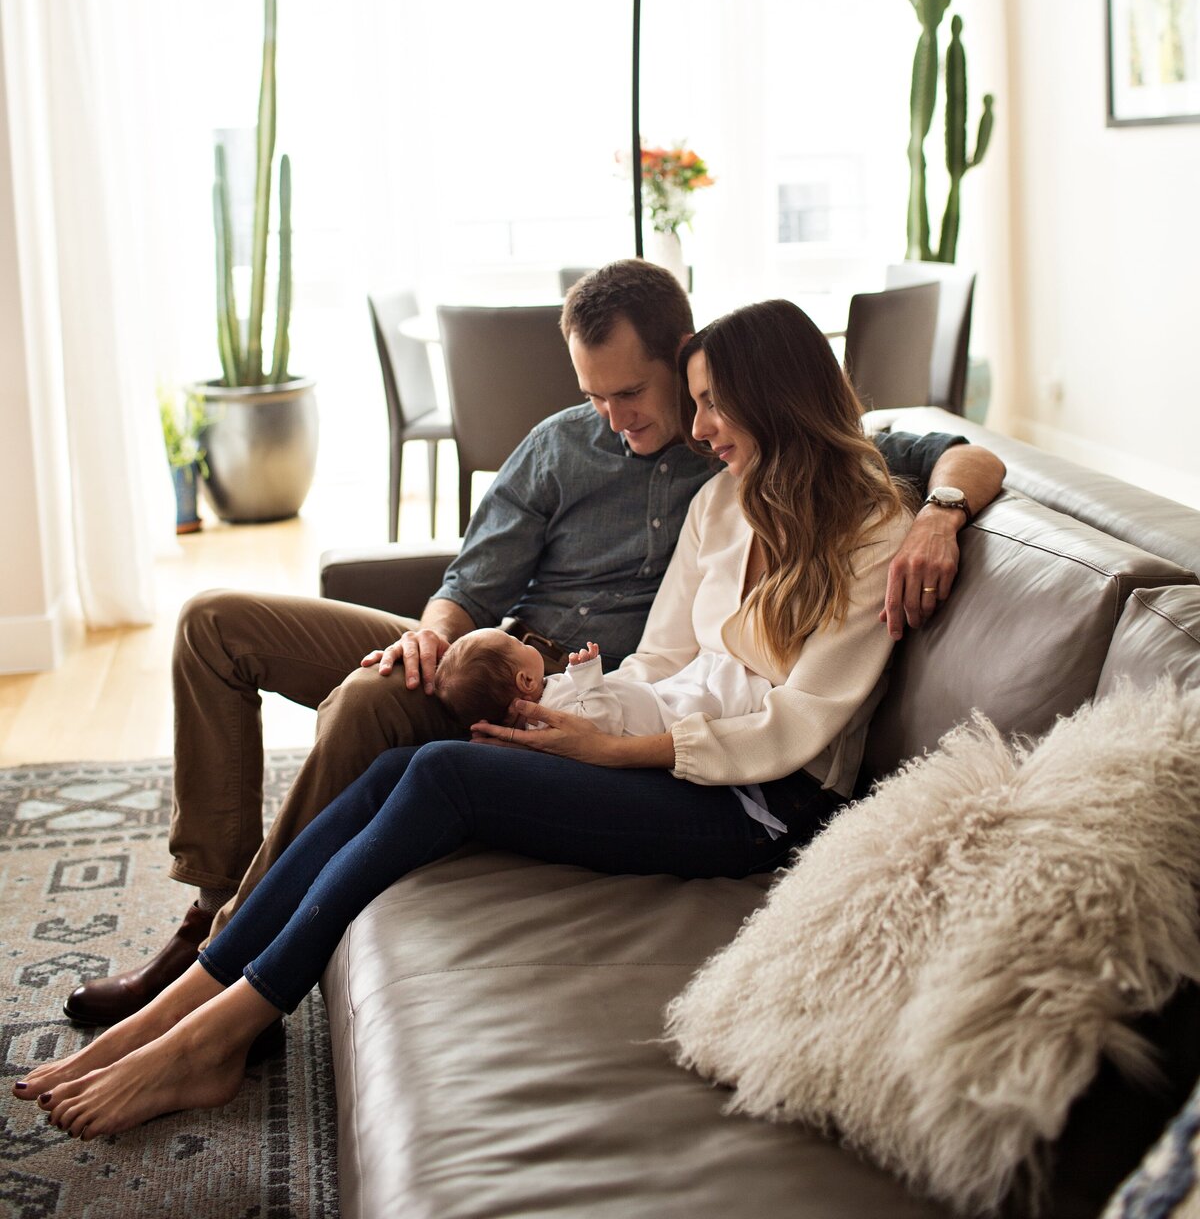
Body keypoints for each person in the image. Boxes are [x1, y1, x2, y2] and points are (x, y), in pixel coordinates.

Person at [22, 297, 926, 1137]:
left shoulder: (874, 528)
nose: (698, 430)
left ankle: (208, 1041)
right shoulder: (723, 498)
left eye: (711, 406)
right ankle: (180, 1007)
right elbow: (661, 660)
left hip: (755, 803)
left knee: (441, 774)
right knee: (388, 770)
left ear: (773, 397)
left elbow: (799, 726)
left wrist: (616, 752)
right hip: (633, 731)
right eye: (693, 406)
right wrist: (579, 710)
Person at [435, 634, 775, 740]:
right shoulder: (547, 720)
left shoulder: (541, 704)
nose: (524, 643)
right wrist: (590, 679)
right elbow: (602, 724)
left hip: (651, 695)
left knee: (705, 674)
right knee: (712, 697)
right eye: (515, 642)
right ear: (525, 681)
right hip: (661, 718)